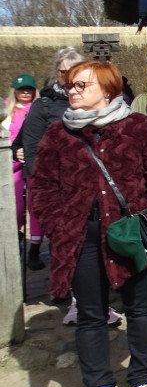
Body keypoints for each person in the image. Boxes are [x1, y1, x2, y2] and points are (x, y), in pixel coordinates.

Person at [32, 60, 147, 387]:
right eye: (70, 85)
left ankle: (142, 377)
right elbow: (41, 189)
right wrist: (59, 225)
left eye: (82, 85)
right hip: (81, 236)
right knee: (91, 314)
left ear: (108, 90)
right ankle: (99, 386)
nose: (73, 91)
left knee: (140, 307)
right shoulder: (58, 135)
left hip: (129, 233)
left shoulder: (138, 127)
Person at [13, 47, 88, 272]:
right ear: (56, 73)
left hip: (91, 184)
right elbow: (30, 147)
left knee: (90, 245)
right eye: (63, 71)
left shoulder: (94, 100)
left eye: (74, 70)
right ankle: (71, 294)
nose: (69, 76)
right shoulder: (44, 105)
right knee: (65, 242)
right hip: (57, 186)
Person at [4, 74, 38, 262]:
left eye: (29, 89)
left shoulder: (38, 109)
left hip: (33, 166)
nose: (25, 93)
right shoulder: (7, 110)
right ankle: (15, 239)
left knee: (35, 207)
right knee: (15, 208)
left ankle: (35, 248)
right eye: (21, 89)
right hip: (13, 168)